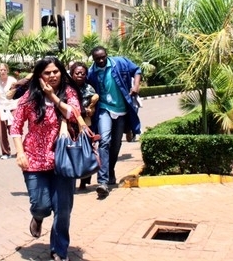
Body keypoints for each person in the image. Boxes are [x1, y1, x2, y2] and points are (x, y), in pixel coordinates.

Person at [10, 56, 82, 261]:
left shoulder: (68, 92)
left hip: (63, 159)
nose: (52, 76)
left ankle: (58, 251)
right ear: (39, 75)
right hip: (33, 159)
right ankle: (38, 217)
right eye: (47, 73)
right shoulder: (30, 97)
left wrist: (53, 97)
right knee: (40, 204)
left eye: (56, 72)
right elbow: (15, 127)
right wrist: (19, 152)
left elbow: (73, 114)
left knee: (63, 209)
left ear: (61, 72)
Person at [87, 46, 142, 199]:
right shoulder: (91, 73)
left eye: (103, 57)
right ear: (93, 59)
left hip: (122, 109)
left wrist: (136, 86)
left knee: (116, 144)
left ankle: (110, 170)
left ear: (107, 55)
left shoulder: (120, 63)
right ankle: (102, 182)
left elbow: (136, 70)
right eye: (97, 58)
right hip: (104, 109)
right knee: (104, 141)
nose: (101, 60)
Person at [69, 61, 99, 191]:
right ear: (72, 74)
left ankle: (84, 181)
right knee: (70, 153)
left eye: (83, 73)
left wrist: (90, 109)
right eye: (77, 73)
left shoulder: (89, 88)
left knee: (85, 152)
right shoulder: (66, 88)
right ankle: (69, 182)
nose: (80, 75)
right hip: (69, 124)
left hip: (84, 124)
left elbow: (94, 105)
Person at [0, 63, 18, 159]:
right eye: (1, 70)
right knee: (2, 131)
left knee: (13, 129)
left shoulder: (12, 81)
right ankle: (5, 152)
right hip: (1, 107)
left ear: (7, 71)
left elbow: (17, 92)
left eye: (4, 70)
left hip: (12, 107)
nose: (2, 72)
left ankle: (19, 151)